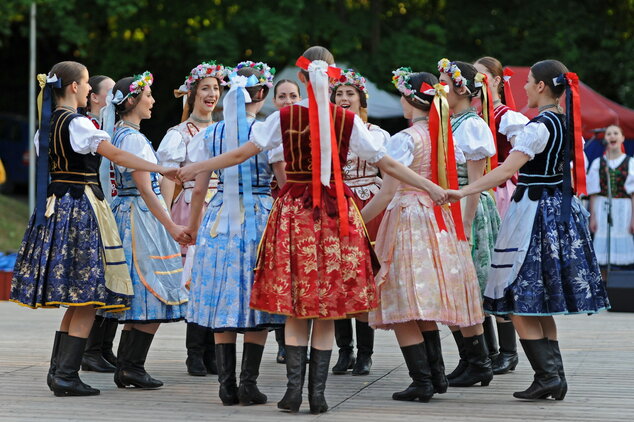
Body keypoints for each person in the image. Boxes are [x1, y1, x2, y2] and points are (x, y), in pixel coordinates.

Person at [172, 46, 447, 414]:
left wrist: (196, 167)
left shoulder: (281, 119)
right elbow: (388, 164)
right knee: (327, 309)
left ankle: (293, 392)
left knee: (295, 306)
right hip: (337, 216)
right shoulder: (348, 122)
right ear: (332, 78)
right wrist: (431, 187)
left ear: (302, 79)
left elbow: (240, 154)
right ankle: (317, 395)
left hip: (294, 214)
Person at [447, 59, 610, 400]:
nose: (522, 87)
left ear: (540, 87)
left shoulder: (539, 127)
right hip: (556, 212)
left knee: (518, 302)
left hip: (534, 214)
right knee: (540, 304)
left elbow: (506, 170)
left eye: (528, 82)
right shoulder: (564, 123)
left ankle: (548, 376)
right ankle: (553, 377)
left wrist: (462, 190)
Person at [10, 61, 174, 397]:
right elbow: (114, 154)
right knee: (88, 295)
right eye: (86, 84)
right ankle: (66, 375)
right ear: (73, 87)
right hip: (81, 209)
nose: (89, 90)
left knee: (77, 297)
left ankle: (61, 372)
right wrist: (160, 168)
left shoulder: (45, 126)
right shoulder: (79, 124)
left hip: (56, 209)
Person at [361, 68, 486, 402]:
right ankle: (435, 376)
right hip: (440, 220)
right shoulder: (442, 136)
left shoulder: (404, 140)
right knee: (420, 302)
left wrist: (357, 221)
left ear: (409, 100)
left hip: (409, 221)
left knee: (401, 299)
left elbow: (386, 194)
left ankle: (423, 380)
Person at [184, 62, 287, 406]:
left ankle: (226, 385)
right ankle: (248, 383)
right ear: (262, 94)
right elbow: (284, 183)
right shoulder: (267, 132)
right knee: (256, 295)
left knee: (223, 295)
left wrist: (193, 228)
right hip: (258, 216)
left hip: (218, 219)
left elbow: (199, 189)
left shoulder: (209, 134)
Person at [104, 72, 190, 390]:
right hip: (139, 219)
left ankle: (129, 366)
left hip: (130, 214)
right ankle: (130, 366)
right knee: (153, 290)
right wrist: (170, 225)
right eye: (148, 95)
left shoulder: (121, 134)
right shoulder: (133, 138)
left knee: (144, 295)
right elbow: (145, 188)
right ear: (132, 100)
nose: (153, 101)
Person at [156, 61, 229, 377]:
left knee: (216, 282)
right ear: (192, 94)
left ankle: (212, 353)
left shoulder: (224, 130)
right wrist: (165, 217)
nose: (211, 94)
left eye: (215, 88)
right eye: (205, 89)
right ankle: (195, 353)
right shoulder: (179, 133)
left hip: (221, 210)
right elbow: (168, 178)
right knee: (196, 281)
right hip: (190, 208)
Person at [437, 58, 497, 387]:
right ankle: (470, 360)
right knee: (451, 290)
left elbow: (475, 182)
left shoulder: (472, 125)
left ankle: (480, 362)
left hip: (464, 209)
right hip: (447, 208)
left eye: (444, 81)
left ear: (461, 88)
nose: (439, 86)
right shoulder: (450, 121)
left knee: (465, 289)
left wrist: (466, 225)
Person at [330, 69, 389, 376]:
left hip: (367, 200)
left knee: (363, 276)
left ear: (360, 100)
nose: (343, 99)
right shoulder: (325, 132)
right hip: (335, 200)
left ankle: (365, 353)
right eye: (338, 94)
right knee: (337, 275)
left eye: (350, 94)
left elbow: (385, 169)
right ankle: (344, 351)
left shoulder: (375, 133)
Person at [474, 56, 530, 375]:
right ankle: (488, 351)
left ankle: (508, 352)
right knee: (478, 272)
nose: (476, 83)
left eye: (482, 77)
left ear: (496, 81)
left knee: (499, 272)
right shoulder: (470, 116)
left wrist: (505, 174)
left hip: (499, 195)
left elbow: (527, 152)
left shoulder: (505, 116)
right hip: (477, 195)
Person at [78, 74, 122, 374]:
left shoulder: (110, 129)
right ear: (94, 97)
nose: (117, 97)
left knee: (116, 278)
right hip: (93, 205)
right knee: (99, 279)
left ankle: (103, 348)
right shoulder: (84, 127)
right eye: (111, 92)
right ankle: (90, 350)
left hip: (111, 207)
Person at [269, 78, 300, 364]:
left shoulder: (304, 125)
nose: (288, 101)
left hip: (301, 199)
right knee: (283, 272)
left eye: (293, 95)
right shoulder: (272, 127)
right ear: (274, 100)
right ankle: (283, 341)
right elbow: (282, 176)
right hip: (282, 201)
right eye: (282, 96)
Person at [588, 124, 634, 267]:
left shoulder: (630, 162)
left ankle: (621, 286)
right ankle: (604, 286)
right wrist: (592, 218)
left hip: (623, 208)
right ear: (605, 139)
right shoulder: (598, 163)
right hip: (602, 207)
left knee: (622, 246)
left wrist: (633, 218)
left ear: (622, 138)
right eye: (608, 134)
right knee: (602, 256)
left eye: (615, 133)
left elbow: (633, 194)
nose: (612, 136)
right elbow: (593, 193)